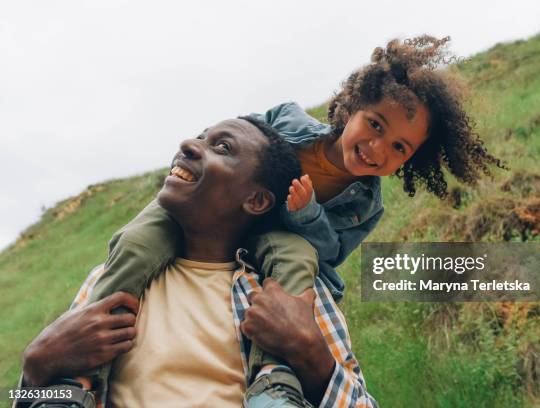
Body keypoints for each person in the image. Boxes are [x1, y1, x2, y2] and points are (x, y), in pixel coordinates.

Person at [74, 36, 506, 405]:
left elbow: (331, 253)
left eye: (398, 149)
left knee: (299, 259)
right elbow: (233, 136)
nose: (377, 148)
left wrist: (307, 213)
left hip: (277, 239)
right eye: (374, 125)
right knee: (136, 243)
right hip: (212, 210)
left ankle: (274, 380)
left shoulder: (367, 204)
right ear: (351, 107)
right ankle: (82, 363)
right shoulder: (289, 119)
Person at [15, 117, 377, 408]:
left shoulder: (292, 296)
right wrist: (34, 369)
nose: (188, 145)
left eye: (222, 147)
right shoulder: (110, 278)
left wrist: (313, 357)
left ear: (256, 200)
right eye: (200, 137)